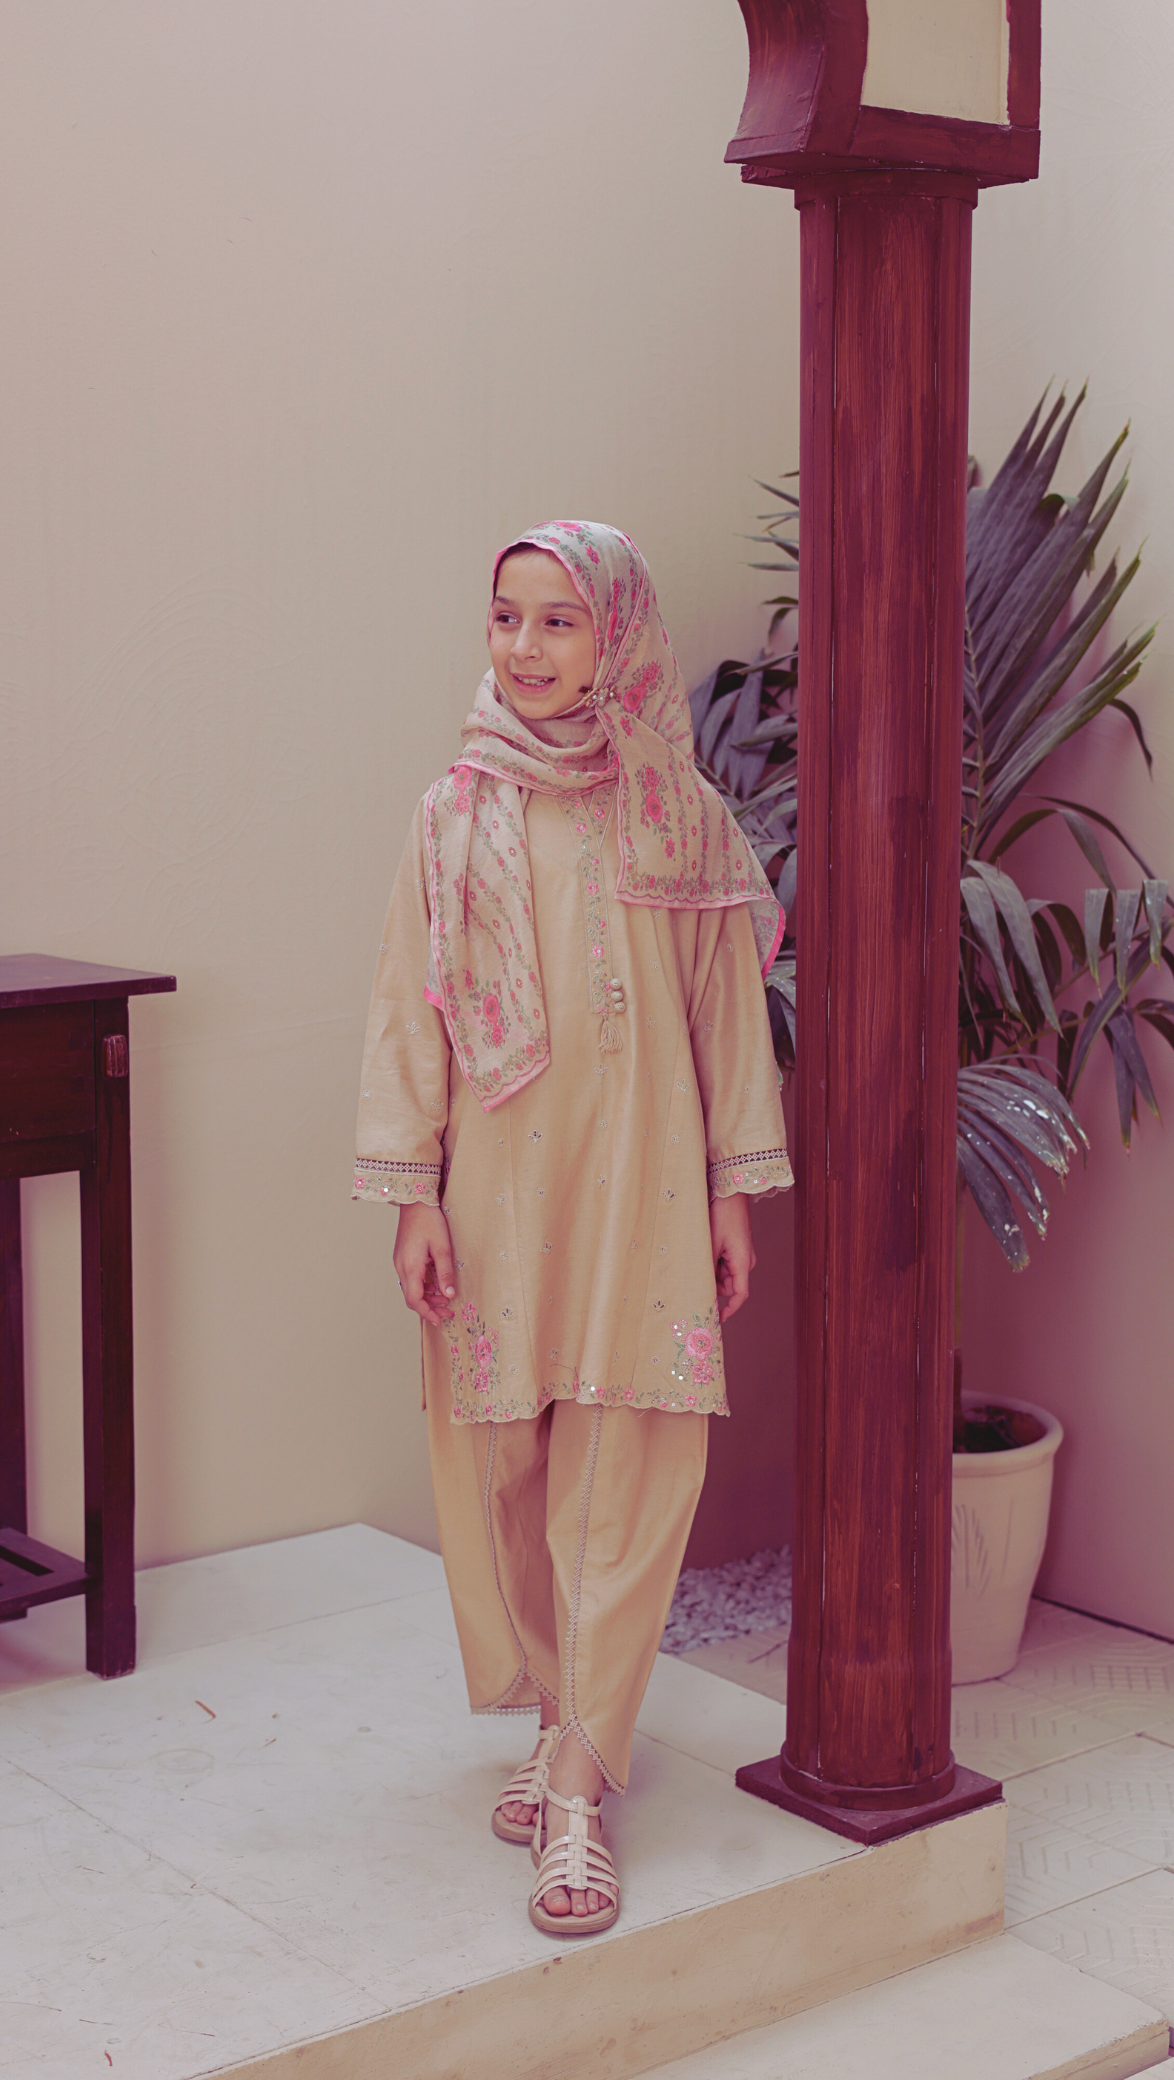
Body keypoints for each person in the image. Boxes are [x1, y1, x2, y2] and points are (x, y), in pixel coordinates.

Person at [353, 521, 791, 1936]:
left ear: (618, 635)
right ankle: (557, 1720)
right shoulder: (449, 814)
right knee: (508, 1462)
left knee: (630, 1456)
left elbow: (727, 1016)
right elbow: (408, 1011)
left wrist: (731, 1191)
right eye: (508, 617)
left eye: (560, 620)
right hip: (496, 1189)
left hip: (644, 1181)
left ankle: (584, 1788)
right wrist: (413, 1195)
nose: (528, 648)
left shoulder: (679, 813)